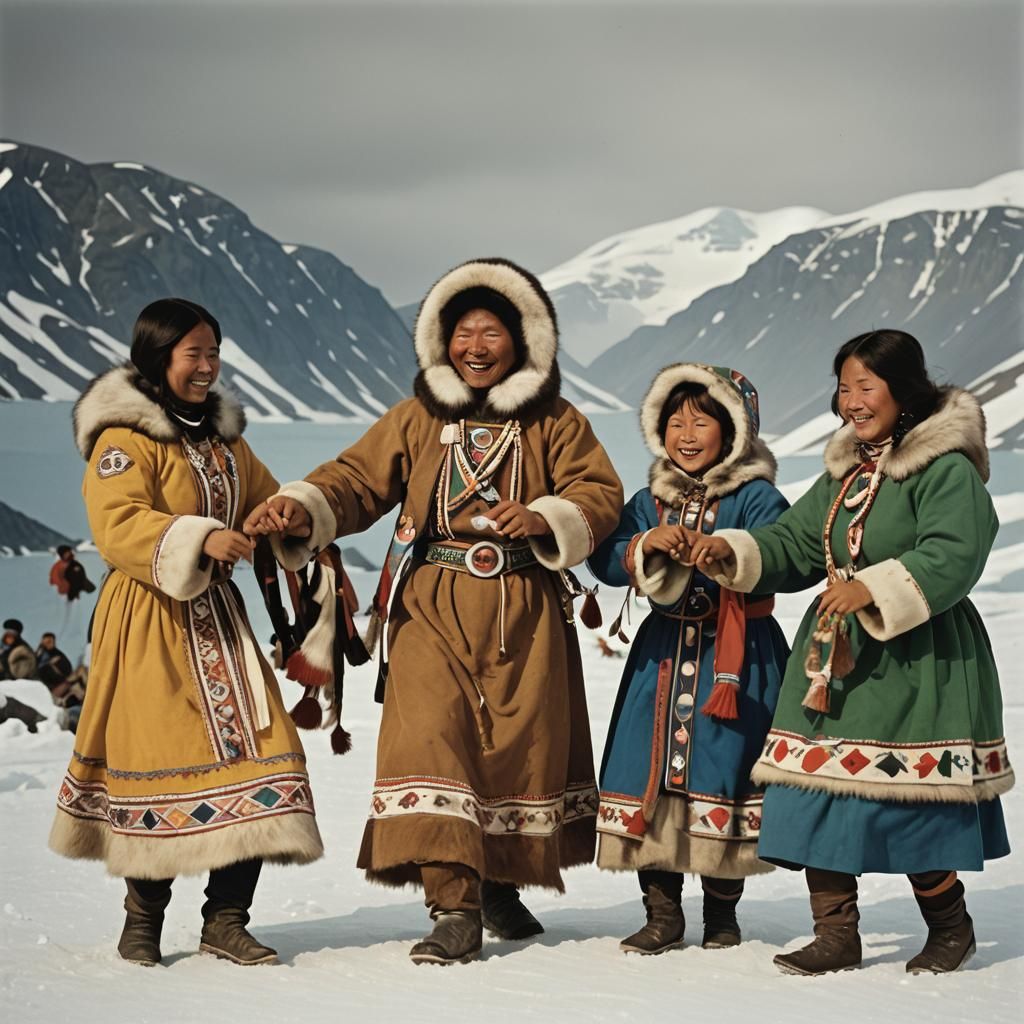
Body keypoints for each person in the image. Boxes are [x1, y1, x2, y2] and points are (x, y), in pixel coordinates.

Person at [247, 258, 623, 965]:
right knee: (429, 740)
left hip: (522, 614)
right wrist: (302, 506)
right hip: (430, 607)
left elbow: (598, 494)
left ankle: (496, 882)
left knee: (511, 752)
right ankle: (453, 905)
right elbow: (355, 481)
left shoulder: (556, 421)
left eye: (491, 333)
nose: (475, 347)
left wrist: (544, 517)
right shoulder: (417, 418)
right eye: (462, 333)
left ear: (524, 340)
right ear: (441, 341)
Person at [683, 329, 1012, 975]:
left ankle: (951, 927)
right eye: (843, 387)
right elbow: (797, 543)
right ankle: (836, 934)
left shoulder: (945, 468)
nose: (852, 401)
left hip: (918, 656)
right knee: (814, 788)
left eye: (866, 386)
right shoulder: (847, 472)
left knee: (911, 796)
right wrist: (735, 551)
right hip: (834, 661)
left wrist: (873, 588)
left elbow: (956, 550)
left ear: (903, 390)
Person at [48, 298, 323, 967]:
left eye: (213, 353)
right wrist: (201, 538)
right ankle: (142, 920)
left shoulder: (224, 440)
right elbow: (117, 525)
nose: (207, 367)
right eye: (193, 354)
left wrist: (283, 515)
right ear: (156, 357)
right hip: (148, 620)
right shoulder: (123, 440)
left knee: (263, 758)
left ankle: (225, 921)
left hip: (220, 624)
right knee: (159, 765)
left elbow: (261, 497)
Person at [588, 364, 790, 954]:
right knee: (647, 772)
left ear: (734, 430)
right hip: (662, 655)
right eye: (675, 422)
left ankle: (723, 914)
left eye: (701, 422)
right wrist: (643, 545)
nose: (686, 434)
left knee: (726, 771)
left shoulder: (757, 496)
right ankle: (662, 913)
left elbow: (785, 554)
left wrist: (732, 551)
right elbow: (605, 556)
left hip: (739, 659)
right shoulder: (650, 499)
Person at [34, 632, 85, 704]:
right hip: (46, 689)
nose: (47, 644)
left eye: (49, 642)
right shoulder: (39, 655)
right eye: (45, 642)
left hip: (59, 687)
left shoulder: (58, 656)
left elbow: (67, 671)